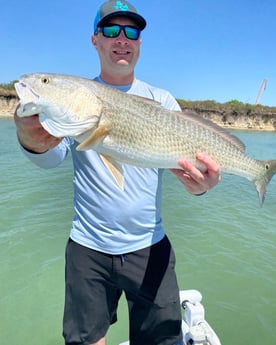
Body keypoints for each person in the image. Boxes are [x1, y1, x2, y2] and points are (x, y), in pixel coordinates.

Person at [14, 1, 221, 344]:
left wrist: (201, 186)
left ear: (139, 42)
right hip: (87, 249)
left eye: (131, 31)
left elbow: (186, 173)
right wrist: (29, 136)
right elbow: (51, 157)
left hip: (150, 246)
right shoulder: (75, 105)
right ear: (95, 40)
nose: (121, 38)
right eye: (111, 30)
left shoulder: (163, 100)